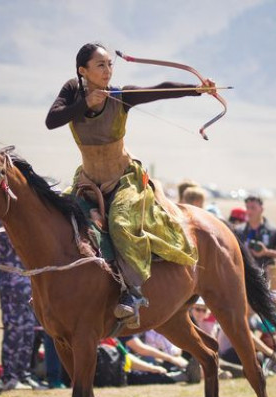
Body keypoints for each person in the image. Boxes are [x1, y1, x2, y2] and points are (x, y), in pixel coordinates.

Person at [45, 43, 214, 328]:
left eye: (110, 64)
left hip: (124, 179)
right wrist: (84, 103)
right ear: (83, 70)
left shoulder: (119, 95)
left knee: (122, 223)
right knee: (60, 220)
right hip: (88, 180)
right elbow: (52, 120)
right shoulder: (73, 91)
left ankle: (132, 293)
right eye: (101, 65)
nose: (108, 70)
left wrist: (196, 89)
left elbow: (158, 89)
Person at [0, 221, 45, 391]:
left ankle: (24, 374)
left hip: (28, 282)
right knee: (14, 329)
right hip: (11, 283)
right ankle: (10, 376)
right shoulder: (0, 224)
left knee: (29, 330)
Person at [234, 195, 276, 290]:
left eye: (253, 208)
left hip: (267, 281)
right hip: (244, 280)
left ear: (262, 209)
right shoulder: (239, 231)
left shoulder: (273, 230)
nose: (249, 211)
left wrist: (266, 252)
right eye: (247, 207)